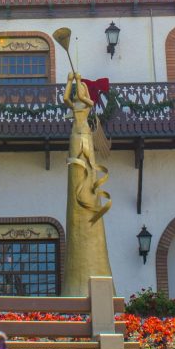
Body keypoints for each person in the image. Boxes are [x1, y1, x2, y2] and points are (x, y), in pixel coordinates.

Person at [62, 72, 113, 295]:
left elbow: (88, 100)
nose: (78, 92)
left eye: (80, 90)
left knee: (89, 168)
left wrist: (79, 83)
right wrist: (70, 82)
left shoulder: (86, 104)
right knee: (78, 169)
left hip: (85, 135)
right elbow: (66, 98)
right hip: (75, 135)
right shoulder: (74, 104)